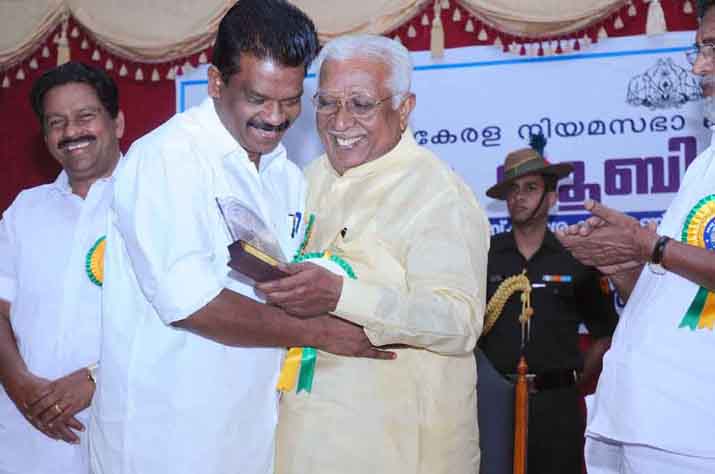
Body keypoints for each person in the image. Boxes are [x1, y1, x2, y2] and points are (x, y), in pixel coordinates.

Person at [89, 2, 393, 474]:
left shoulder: (284, 175)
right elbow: (192, 304)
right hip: (166, 441)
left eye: (290, 100)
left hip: (250, 436)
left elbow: (276, 287)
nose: (275, 117)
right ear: (215, 83)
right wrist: (319, 333)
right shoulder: (169, 159)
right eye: (257, 98)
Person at [255, 34, 490, 474]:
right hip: (301, 441)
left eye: (361, 104)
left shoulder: (438, 193)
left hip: (397, 451)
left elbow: (459, 321)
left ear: (404, 108)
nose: (341, 121)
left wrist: (341, 296)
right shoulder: (304, 181)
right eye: (327, 103)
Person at [557, 2, 715, 472]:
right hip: (640, 415)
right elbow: (676, 285)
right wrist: (626, 269)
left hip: (693, 427)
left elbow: (665, 254)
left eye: (712, 49)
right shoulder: (704, 163)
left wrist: (652, 247)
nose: (698, 67)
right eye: (698, 49)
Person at [0, 62, 124, 474]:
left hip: (122, 434)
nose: (71, 132)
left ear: (117, 123)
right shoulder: (25, 210)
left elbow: (181, 322)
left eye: (85, 116)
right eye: (56, 122)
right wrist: (19, 384)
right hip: (25, 440)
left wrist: (95, 379)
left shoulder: (152, 201)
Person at [478, 137, 618, 474]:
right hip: (494, 402)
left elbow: (605, 332)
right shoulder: (484, 255)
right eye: (512, 190)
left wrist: (575, 377)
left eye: (530, 188)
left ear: (552, 198)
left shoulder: (575, 257)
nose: (519, 197)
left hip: (557, 405)